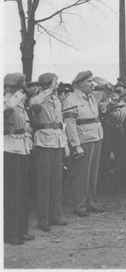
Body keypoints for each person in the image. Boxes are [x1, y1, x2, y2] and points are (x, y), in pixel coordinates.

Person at [29, 73, 68, 231]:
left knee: (56, 181)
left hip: (57, 141)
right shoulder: (39, 98)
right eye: (55, 82)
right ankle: (43, 218)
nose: (57, 85)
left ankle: (56, 214)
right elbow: (33, 104)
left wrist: (65, 144)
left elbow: (60, 123)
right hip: (44, 141)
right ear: (48, 83)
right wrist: (46, 91)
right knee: (44, 182)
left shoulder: (56, 99)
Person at [62, 71, 104, 217]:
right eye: (88, 81)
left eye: (92, 81)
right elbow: (70, 124)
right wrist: (76, 145)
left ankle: (91, 201)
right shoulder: (71, 99)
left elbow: (106, 88)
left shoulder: (91, 97)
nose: (92, 84)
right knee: (81, 174)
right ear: (79, 83)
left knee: (93, 173)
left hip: (96, 136)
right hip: (83, 139)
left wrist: (99, 81)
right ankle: (79, 204)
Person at [4, 73, 34, 245]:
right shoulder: (7, 101)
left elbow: (26, 124)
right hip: (9, 149)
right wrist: (17, 96)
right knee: (12, 193)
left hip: (22, 148)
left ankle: (21, 230)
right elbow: (6, 108)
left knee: (23, 192)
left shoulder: (20, 104)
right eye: (23, 87)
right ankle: (10, 233)